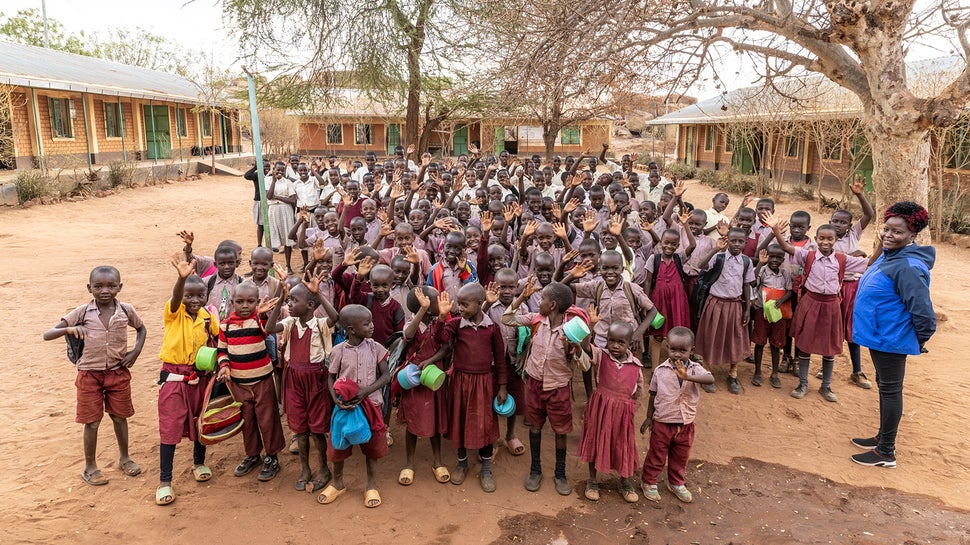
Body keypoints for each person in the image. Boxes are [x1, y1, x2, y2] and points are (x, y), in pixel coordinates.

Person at [43, 266, 147, 488]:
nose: (105, 291)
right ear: (89, 288)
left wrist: (135, 351)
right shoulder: (81, 312)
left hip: (118, 373)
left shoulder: (126, 310)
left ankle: (125, 458)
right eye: (98, 286)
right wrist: (68, 330)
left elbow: (141, 329)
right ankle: (90, 467)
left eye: (111, 286)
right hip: (89, 375)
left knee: (120, 417)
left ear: (120, 287)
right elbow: (48, 333)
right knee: (92, 421)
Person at [850, 202, 935, 468]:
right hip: (880, 336)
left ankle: (886, 451)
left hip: (891, 340)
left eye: (897, 232)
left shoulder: (908, 267)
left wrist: (918, 340)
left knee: (890, 391)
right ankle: (881, 437)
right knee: (886, 387)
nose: (888, 235)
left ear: (913, 236)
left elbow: (923, 313)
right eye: (886, 229)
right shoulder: (891, 256)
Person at [765, 215, 870, 403]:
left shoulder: (842, 259)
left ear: (835, 241)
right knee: (804, 345)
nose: (826, 242)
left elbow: (868, 263)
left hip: (831, 306)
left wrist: (882, 246)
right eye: (821, 238)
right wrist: (776, 231)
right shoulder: (808, 255)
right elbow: (788, 248)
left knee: (829, 348)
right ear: (816, 239)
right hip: (810, 303)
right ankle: (803, 384)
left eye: (830, 239)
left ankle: (826, 386)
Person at [502, 280, 583, 496]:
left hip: (558, 387)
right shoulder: (536, 320)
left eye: (543, 299)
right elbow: (506, 319)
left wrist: (574, 345)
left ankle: (560, 473)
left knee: (560, 431)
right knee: (535, 426)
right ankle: (535, 469)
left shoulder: (571, 329)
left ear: (553, 304)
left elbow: (584, 362)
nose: (539, 302)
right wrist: (520, 297)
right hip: (535, 383)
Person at [150, 257, 220, 505]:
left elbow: (219, 341)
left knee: (200, 421)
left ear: (206, 296)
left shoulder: (208, 317)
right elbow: (177, 298)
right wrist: (181, 279)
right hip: (174, 379)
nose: (194, 301)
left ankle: (199, 463)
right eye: (189, 296)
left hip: (200, 378)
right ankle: (165, 480)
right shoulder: (174, 313)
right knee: (169, 427)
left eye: (199, 296)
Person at [265, 269, 339, 493]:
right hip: (294, 379)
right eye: (289, 300)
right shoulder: (289, 322)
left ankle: (324, 469)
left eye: (293, 301)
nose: (290, 304)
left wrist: (319, 294)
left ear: (310, 306)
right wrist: (280, 300)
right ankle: (305, 469)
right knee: (301, 430)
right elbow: (269, 328)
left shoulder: (321, 324)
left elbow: (335, 317)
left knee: (317, 429)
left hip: (316, 379)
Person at [319, 304, 392, 507]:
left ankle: (370, 486)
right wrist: (335, 400)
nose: (372, 326)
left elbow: (386, 376)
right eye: (367, 323)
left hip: (371, 405)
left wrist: (365, 391)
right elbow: (331, 377)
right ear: (351, 329)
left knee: (372, 447)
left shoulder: (376, 348)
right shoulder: (338, 351)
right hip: (346, 407)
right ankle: (337, 483)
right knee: (338, 446)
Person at [436, 284, 507, 492]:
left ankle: (485, 467)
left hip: (484, 383)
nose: (460, 308)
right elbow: (440, 338)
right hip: (460, 381)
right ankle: (462, 462)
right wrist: (442, 318)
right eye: (459, 304)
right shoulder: (456, 324)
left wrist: (502, 386)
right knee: (459, 420)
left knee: (484, 423)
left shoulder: (492, 328)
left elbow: (500, 360)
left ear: (479, 304)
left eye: (465, 304)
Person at [216, 282, 285, 482]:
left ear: (256, 302)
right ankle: (253, 454)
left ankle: (272, 457)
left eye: (250, 301)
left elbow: (267, 327)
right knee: (247, 420)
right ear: (232, 302)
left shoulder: (259, 321)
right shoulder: (225, 325)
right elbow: (222, 351)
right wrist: (224, 366)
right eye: (240, 301)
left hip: (262, 380)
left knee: (268, 418)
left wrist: (262, 314)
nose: (245, 305)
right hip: (238, 383)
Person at [640, 327, 714, 503]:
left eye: (683, 351)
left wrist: (688, 377)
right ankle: (649, 481)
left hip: (686, 424)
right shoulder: (660, 370)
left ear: (692, 351)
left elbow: (710, 379)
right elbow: (652, 395)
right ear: (667, 347)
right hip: (663, 422)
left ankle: (676, 482)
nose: (677, 355)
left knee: (680, 456)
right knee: (657, 454)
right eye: (673, 349)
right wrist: (649, 417)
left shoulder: (695, 370)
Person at [577, 322, 643, 503]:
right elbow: (585, 347)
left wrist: (628, 409)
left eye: (621, 342)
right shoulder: (601, 355)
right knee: (596, 440)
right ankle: (592, 480)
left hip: (623, 412)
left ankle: (625, 481)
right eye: (611, 340)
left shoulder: (636, 366)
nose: (615, 346)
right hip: (600, 408)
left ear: (630, 343)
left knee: (623, 444)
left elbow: (637, 391)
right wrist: (589, 325)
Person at [398, 287, 451, 486]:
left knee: (435, 418)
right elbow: (408, 334)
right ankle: (409, 463)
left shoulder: (439, 323)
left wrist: (431, 360)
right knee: (412, 421)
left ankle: (437, 461)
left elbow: (444, 345)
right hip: (413, 377)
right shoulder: (412, 323)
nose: (441, 303)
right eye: (437, 302)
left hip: (433, 376)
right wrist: (423, 310)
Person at [693, 229, 752, 394]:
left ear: (745, 242)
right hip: (715, 303)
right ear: (727, 241)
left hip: (735, 305)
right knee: (710, 336)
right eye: (733, 241)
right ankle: (707, 371)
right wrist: (715, 249)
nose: (736, 244)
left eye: (740, 241)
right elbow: (700, 265)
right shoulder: (718, 257)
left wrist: (747, 308)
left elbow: (746, 285)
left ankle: (733, 374)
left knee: (736, 338)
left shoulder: (746, 261)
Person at [751, 246, 794, 389]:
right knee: (760, 341)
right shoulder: (762, 270)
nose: (775, 260)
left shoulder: (785, 272)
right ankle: (757, 372)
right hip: (761, 310)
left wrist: (780, 301)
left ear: (783, 259)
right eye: (772, 257)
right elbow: (753, 282)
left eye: (778, 257)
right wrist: (759, 264)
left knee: (776, 343)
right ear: (767, 256)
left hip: (778, 312)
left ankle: (775, 374)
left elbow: (790, 290)